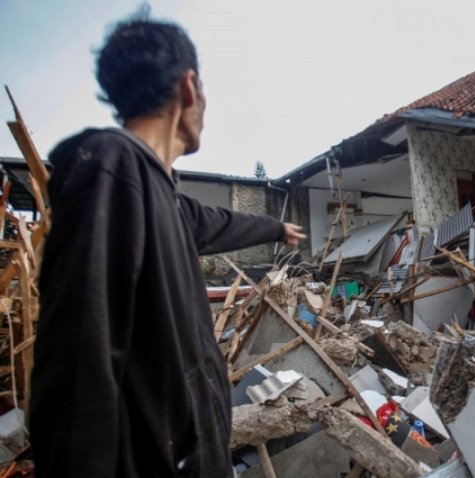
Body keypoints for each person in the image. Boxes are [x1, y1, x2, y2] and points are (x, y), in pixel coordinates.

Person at [29, 15, 305, 477]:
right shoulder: (111, 171)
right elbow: (76, 372)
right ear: (189, 88)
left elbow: (222, 223)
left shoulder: (165, 199)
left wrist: (277, 231)